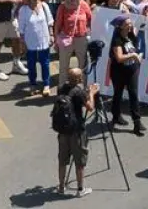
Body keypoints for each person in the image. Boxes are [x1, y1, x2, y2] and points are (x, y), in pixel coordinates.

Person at [54, 67, 95, 198]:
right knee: (79, 161)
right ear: (79, 79)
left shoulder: (61, 88)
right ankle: (80, 189)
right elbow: (90, 107)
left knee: (62, 160)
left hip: (63, 130)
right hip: (76, 131)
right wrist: (92, 93)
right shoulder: (79, 92)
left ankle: (61, 187)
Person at [109, 15, 145, 134]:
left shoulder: (131, 36)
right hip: (118, 71)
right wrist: (133, 56)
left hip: (132, 70)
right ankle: (116, 116)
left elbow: (136, 50)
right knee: (118, 94)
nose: (130, 25)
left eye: (130, 23)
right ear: (121, 27)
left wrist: (138, 56)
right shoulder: (117, 39)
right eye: (127, 24)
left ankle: (137, 122)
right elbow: (119, 58)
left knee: (133, 94)